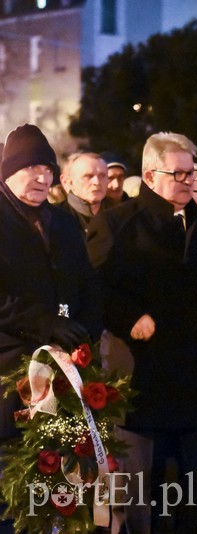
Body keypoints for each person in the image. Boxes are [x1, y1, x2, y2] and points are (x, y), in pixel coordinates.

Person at [87, 131, 197, 533]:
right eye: (178, 173)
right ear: (150, 175)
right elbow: (91, 288)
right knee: (148, 509)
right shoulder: (116, 224)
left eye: (192, 172)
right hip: (144, 391)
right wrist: (130, 316)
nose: (188, 181)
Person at [0, 124, 103, 441]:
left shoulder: (62, 222)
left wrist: (84, 329)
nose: (43, 178)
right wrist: (45, 324)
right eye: (32, 168)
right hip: (9, 370)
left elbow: (84, 281)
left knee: (59, 475)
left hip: (67, 367)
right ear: (9, 172)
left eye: (48, 169)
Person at [58, 152, 110, 234]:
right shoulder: (53, 219)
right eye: (88, 176)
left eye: (102, 176)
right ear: (67, 182)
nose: (97, 182)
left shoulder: (120, 216)